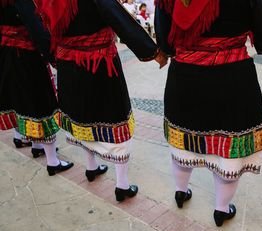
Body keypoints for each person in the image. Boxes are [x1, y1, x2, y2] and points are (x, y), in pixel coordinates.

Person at [156, 0, 262, 226]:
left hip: (186, 75)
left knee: (183, 139)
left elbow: (164, 28)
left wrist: (165, 51)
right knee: (228, 149)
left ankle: (181, 191)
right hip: (233, 76)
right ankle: (221, 209)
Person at [35, 0, 167, 202]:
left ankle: (91, 167)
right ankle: (122, 185)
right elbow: (117, 17)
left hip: (68, 64)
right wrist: (152, 50)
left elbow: (43, 24)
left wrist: (52, 56)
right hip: (99, 64)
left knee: (82, 117)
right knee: (115, 118)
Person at [0, 0, 74, 175]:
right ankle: (52, 161)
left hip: (5, 52)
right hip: (26, 55)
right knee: (42, 104)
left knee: (23, 101)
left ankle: (35, 144)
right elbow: (35, 27)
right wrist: (52, 54)